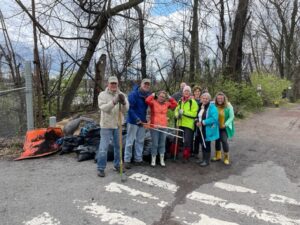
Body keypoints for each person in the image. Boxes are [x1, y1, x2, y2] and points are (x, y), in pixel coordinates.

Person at [96, 76, 129, 177]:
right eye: (112, 83)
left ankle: (117, 165)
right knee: (103, 148)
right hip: (106, 125)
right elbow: (104, 108)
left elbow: (126, 109)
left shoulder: (122, 94)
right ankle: (101, 168)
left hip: (118, 125)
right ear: (108, 84)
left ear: (118, 84)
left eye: (115, 83)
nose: (113, 85)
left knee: (118, 147)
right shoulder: (102, 95)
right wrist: (114, 102)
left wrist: (123, 102)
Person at [124, 78, 151, 169]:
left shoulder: (148, 95)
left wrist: (147, 119)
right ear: (141, 84)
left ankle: (138, 159)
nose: (146, 86)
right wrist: (137, 119)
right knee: (130, 141)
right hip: (133, 121)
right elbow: (129, 109)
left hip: (143, 122)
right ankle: (127, 160)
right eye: (145, 84)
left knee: (140, 141)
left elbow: (150, 108)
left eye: (148, 85)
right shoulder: (133, 94)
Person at [145, 91, 177, 167]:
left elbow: (175, 104)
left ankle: (161, 160)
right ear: (158, 96)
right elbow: (147, 100)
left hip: (164, 126)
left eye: (163, 97)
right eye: (160, 96)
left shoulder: (167, 104)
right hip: (155, 126)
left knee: (162, 143)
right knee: (155, 144)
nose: (161, 98)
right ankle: (153, 160)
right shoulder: (153, 102)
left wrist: (170, 97)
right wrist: (152, 95)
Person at [174, 85, 199, 162]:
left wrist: (184, 113)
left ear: (190, 92)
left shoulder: (193, 102)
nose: (186, 92)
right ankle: (174, 154)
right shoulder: (180, 101)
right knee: (176, 139)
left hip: (188, 125)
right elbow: (176, 110)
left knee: (188, 141)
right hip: (180, 123)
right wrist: (177, 115)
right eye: (185, 91)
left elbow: (194, 114)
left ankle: (186, 156)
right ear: (183, 92)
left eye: (188, 91)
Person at [195, 92, 219, 167]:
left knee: (206, 144)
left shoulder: (212, 107)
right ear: (201, 99)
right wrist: (196, 121)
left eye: (206, 98)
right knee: (202, 143)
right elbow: (197, 115)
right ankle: (203, 159)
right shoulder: (200, 105)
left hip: (207, 129)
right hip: (200, 128)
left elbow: (214, 118)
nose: (204, 100)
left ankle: (207, 160)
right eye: (203, 98)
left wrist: (203, 122)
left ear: (209, 99)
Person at [211, 92, 235, 165]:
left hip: (224, 127)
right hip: (216, 127)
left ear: (224, 98)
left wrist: (226, 124)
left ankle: (226, 157)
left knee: (224, 140)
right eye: (218, 98)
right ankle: (218, 156)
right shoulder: (214, 105)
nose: (220, 100)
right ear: (216, 99)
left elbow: (232, 117)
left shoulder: (228, 106)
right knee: (217, 140)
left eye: (221, 98)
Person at [191, 85, 202, 158]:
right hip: (191, 120)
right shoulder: (191, 100)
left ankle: (196, 152)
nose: (197, 93)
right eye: (196, 91)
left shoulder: (202, 100)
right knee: (191, 136)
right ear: (193, 92)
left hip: (198, 120)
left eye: (198, 91)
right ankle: (190, 151)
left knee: (197, 136)